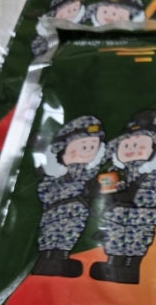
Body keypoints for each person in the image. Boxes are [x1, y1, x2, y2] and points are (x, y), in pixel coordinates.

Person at [89, 110, 156, 284]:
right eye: (126, 145)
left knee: (136, 242)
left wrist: (135, 196)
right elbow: (109, 186)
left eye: (138, 145)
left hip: (142, 216)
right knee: (115, 240)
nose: (130, 149)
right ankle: (113, 264)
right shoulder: (118, 171)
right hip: (117, 215)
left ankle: (130, 268)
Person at [32, 115, 107, 278]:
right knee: (52, 236)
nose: (88, 149)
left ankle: (60, 259)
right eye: (83, 145)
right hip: (56, 211)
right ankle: (47, 260)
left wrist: (93, 189)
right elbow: (44, 190)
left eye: (93, 146)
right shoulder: (56, 172)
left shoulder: (88, 172)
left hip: (78, 212)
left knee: (69, 236)